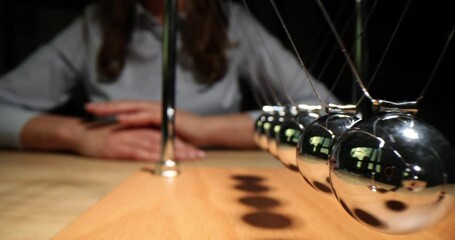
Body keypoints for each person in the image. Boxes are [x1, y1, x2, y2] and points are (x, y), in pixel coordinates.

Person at [0, 0, 339, 162]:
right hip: (105, 179)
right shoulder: (96, 25)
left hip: (212, 172)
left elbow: (327, 114)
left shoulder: (233, 22)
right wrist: (74, 134)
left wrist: (205, 129)